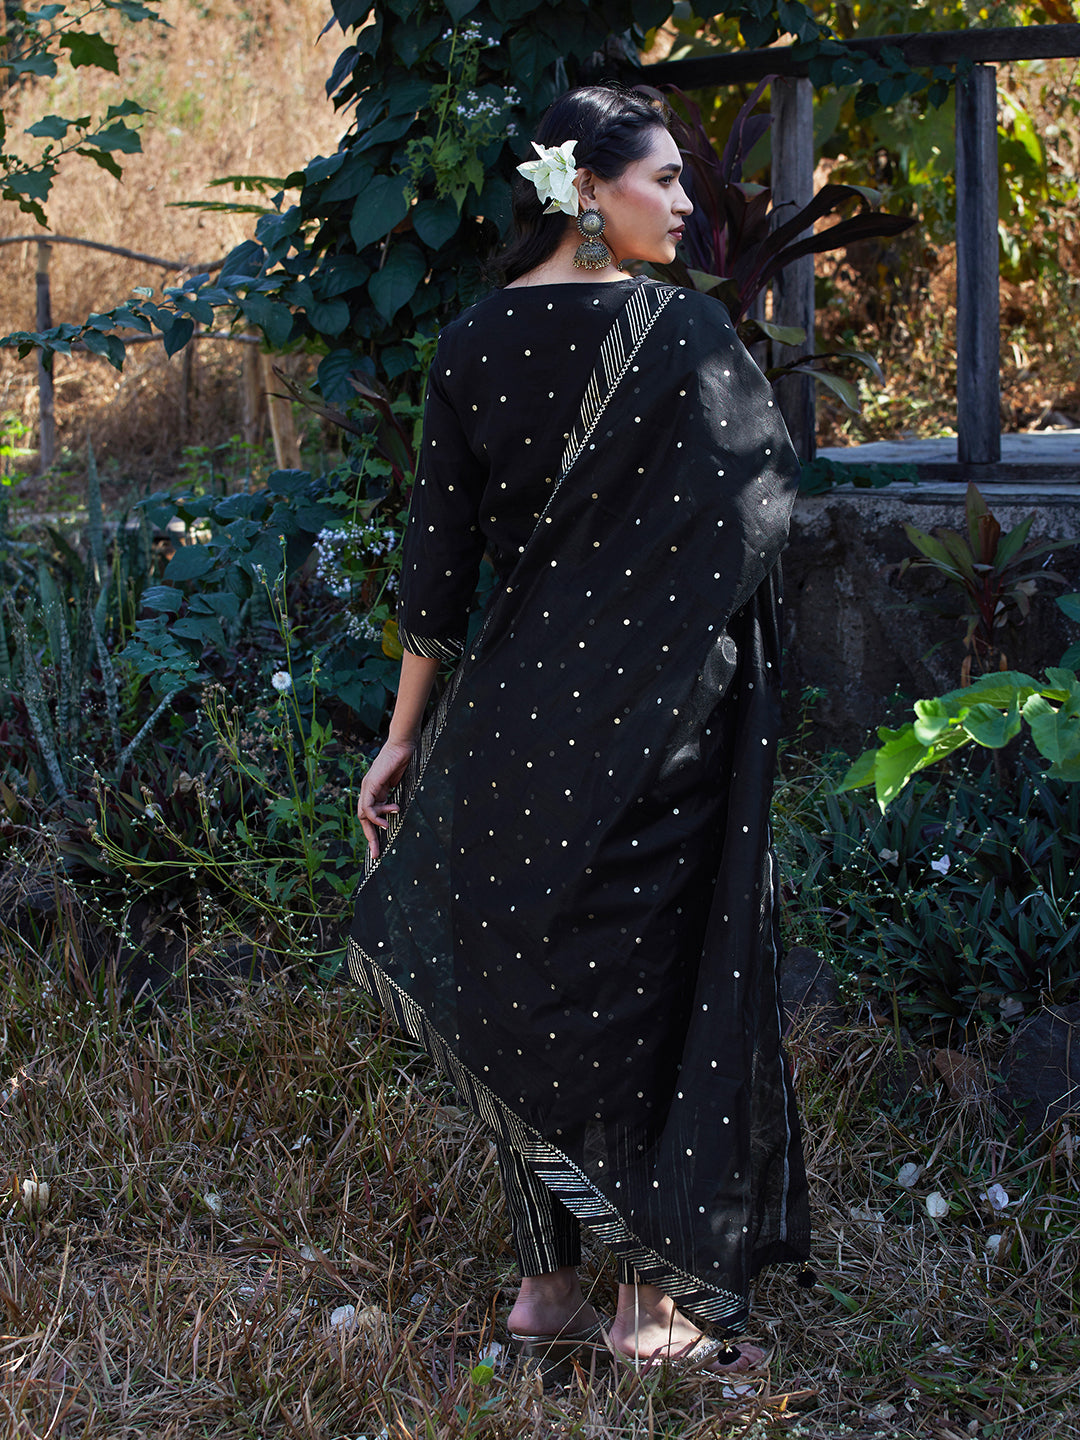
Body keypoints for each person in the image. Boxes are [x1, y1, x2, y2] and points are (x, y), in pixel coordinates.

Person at [352, 84, 811, 1377]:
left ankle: (544, 1291)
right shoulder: (685, 336)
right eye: (663, 179)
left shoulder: (471, 342)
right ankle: (645, 1309)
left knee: (535, 1002)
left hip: (509, 729)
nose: (686, 203)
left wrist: (402, 736)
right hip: (652, 732)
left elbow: (435, 572)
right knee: (653, 999)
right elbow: (762, 508)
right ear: (589, 192)